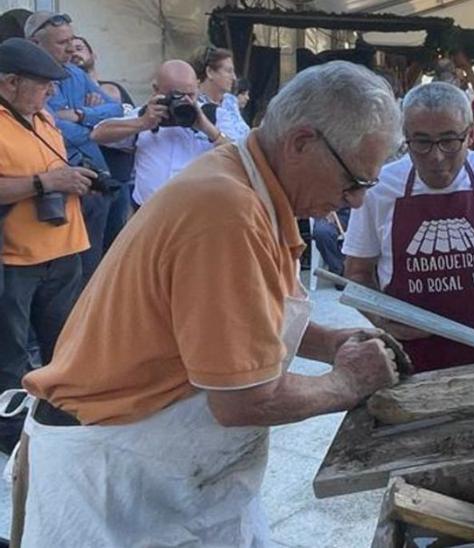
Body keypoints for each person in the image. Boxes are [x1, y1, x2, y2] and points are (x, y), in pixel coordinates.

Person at [14, 61, 401, 546]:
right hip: (115, 476)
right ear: (302, 143)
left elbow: (245, 312)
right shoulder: (228, 211)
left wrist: (328, 341)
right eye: (354, 183)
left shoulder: (251, 185)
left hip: (170, 470)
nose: (357, 203)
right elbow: (243, 400)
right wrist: (345, 382)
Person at [343, 81, 474, 372]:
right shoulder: (381, 187)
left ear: (470, 134)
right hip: (410, 356)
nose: (436, 157)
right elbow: (357, 273)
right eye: (421, 143)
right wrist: (381, 319)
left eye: (449, 141)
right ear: (404, 137)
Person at [0, 37, 96, 453]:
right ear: (9, 83)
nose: (52, 92)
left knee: (64, 346)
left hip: (64, 252)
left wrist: (73, 180)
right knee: (11, 355)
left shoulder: (42, 118)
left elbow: (52, 169)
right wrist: (45, 183)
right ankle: (10, 436)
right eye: (42, 84)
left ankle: (57, 424)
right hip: (16, 258)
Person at [27, 11, 123, 279]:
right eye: (62, 42)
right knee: (63, 274)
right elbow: (50, 126)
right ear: (35, 44)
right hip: (60, 191)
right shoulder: (27, 82)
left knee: (93, 267)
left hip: (97, 185)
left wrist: (81, 114)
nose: (71, 48)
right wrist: (90, 125)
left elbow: (116, 107)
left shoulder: (75, 74)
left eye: (72, 39)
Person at [91, 60, 229, 207]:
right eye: (175, 96)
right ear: (156, 90)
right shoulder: (146, 115)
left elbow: (244, 154)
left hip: (197, 214)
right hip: (149, 214)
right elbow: (97, 134)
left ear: (198, 86)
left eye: (190, 95)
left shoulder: (217, 116)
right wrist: (142, 123)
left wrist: (207, 128)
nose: (185, 101)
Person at [70, 35, 134, 249]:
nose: (74, 52)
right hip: (90, 184)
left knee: (116, 247)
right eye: (69, 48)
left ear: (92, 54)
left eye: (79, 47)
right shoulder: (69, 93)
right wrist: (94, 116)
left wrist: (86, 115)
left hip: (120, 179)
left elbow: (128, 129)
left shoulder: (113, 89)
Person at [193, 45, 251, 143]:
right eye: (229, 71)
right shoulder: (194, 104)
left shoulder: (230, 102)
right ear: (210, 72)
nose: (234, 78)